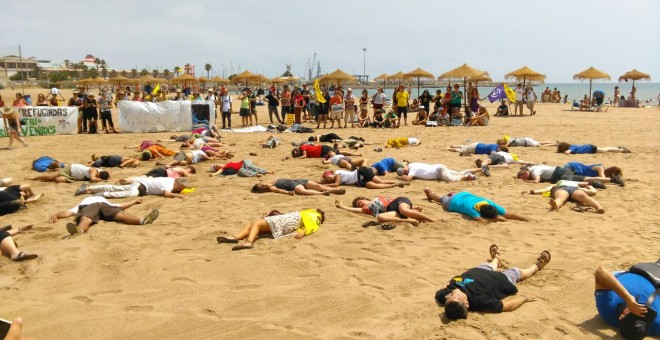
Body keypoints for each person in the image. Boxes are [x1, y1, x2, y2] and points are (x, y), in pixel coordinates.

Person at [435, 244, 550, 320]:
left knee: (489, 265)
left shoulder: (444, 295)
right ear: (467, 304)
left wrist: (448, 285)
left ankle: (496, 258)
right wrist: (525, 298)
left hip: (480, 270)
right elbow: (508, 306)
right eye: (456, 297)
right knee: (517, 271)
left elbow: (444, 287)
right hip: (501, 279)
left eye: (449, 298)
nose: (453, 293)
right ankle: (537, 265)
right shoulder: (479, 301)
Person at [594, 264, 660, 338]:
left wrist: (627, 298)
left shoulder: (608, 310)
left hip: (631, 273)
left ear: (622, 317)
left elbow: (600, 271)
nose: (641, 313)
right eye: (645, 318)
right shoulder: (655, 324)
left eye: (635, 314)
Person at [216, 208, 325, 251]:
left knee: (256, 224)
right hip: (288, 221)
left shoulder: (315, 214)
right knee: (252, 225)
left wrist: (305, 231)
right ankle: (235, 238)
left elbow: (313, 226)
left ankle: (249, 242)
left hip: (289, 221)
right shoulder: (313, 215)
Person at [49, 196, 159, 234]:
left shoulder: (100, 200)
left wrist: (134, 201)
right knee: (87, 218)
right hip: (95, 205)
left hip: (102, 205)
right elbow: (67, 213)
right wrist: (56, 215)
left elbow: (121, 206)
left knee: (120, 214)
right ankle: (79, 231)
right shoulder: (84, 202)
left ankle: (143, 220)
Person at [425, 189, 528, 223]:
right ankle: (430, 193)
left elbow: (510, 215)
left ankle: (452, 193)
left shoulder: (491, 204)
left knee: (451, 196)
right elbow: (481, 221)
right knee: (441, 199)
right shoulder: (473, 210)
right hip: (452, 202)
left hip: (464, 195)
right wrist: (498, 219)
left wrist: (526, 219)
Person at [335, 195, 437, 226]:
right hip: (391, 211)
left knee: (404, 210)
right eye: (358, 204)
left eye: (360, 201)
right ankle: (410, 220)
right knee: (380, 217)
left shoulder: (376, 199)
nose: (360, 203)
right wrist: (341, 206)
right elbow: (351, 209)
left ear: (365, 198)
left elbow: (394, 200)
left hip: (398, 202)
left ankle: (431, 219)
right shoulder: (365, 209)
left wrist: (412, 207)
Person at [522, 180, 604, 213]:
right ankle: (598, 207)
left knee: (561, 197)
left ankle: (556, 204)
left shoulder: (558, 183)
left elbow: (546, 189)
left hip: (562, 188)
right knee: (584, 196)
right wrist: (591, 187)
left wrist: (533, 191)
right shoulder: (576, 184)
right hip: (573, 189)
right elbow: (592, 192)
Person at [75, 176, 187, 199]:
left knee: (116, 188)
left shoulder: (170, 180)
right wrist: (179, 196)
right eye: (180, 187)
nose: (178, 190)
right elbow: (167, 194)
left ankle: (88, 188)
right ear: (178, 184)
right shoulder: (169, 184)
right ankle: (100, 194)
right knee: (127, 193)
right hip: (141, 186)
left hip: (141, 183)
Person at [516, 164, 621, 186]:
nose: (525, 178)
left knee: (567, 184)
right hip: (561, 172)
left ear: (526, 172)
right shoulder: (534, 168)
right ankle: (612, 180)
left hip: (559, 173)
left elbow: (536, 181)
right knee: (587, 178)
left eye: (524, 176)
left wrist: (526, 181)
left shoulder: (534, 171)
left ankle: (593, 184)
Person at [321, 168, 408, 189]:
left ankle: (399, 182)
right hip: (359, 180)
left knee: (380, 181)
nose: (327, 179)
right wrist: (321, 182)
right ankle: (395, 184)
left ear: (331, 174)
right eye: (326, 179)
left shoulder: (337, 174)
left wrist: (323, 185)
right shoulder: (336, 177)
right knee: (373, 186)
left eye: (327, 177)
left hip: (362, 172)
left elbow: (336, 184)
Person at [251, 179, 346, 196]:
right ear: (262, 190)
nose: (263, 184)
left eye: (261, 183)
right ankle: (322, 193)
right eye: (262, 186)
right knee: (302, 191)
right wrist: (288, 193)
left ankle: (335, 190)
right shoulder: (272, 188)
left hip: (298, 180)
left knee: (318, 186)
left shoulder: (271, 182)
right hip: (294, 186)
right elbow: (279, 190)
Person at [29, 164, 109, 183]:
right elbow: (92, 179)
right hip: (71, 169)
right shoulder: (94, 170)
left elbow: (109, 173)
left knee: (58, 180)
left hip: (74, 177)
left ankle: (41, 179)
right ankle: (34, 178)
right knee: (51, 177)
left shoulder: (102, 172)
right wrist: (101, 180)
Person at [397, 163, 478, 182]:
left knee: (452, 179)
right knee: (459, 173)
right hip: (439, 168)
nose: (406, 172)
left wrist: (401, 178)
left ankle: (467, 176)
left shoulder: (412, 168)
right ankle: (480, 169)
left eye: (404, 171)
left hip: (439, 172)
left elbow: (408, 179)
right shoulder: (412, 165)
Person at [556, 142, 631, 154]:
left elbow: (567, 152)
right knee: (605, 148)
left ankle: (622, 150)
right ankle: (619, 148)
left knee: (605, 150)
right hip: (589, 147)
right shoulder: (573, 146)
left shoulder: (572, 148)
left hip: (591, 148)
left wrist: (563, 152)